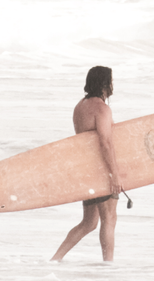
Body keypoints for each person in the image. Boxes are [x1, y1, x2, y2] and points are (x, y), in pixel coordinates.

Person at [50, 65, 123, 263]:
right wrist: (114, 174)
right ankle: (108, 264)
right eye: (111, 81)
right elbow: (105, 143)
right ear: (105, 84)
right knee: (109, 219)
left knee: (89, 222)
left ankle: (55, 259)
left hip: (85, 169)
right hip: (101, 170)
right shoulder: (102, 108)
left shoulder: (80, 107)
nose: (113, 85)